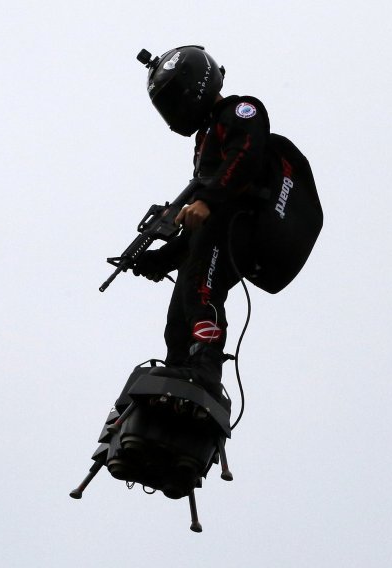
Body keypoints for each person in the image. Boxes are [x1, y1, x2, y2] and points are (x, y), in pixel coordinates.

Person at [131, 45, 289, 397]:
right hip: (216, 229)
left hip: (241, 223)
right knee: (180, 311)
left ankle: (205, 367)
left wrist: (205, 199)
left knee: (201, 288)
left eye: (175, 100)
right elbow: (201, 220)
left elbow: (244, 156)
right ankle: (177, 373)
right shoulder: (203, 140)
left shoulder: (239, 110)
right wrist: (163, 257)